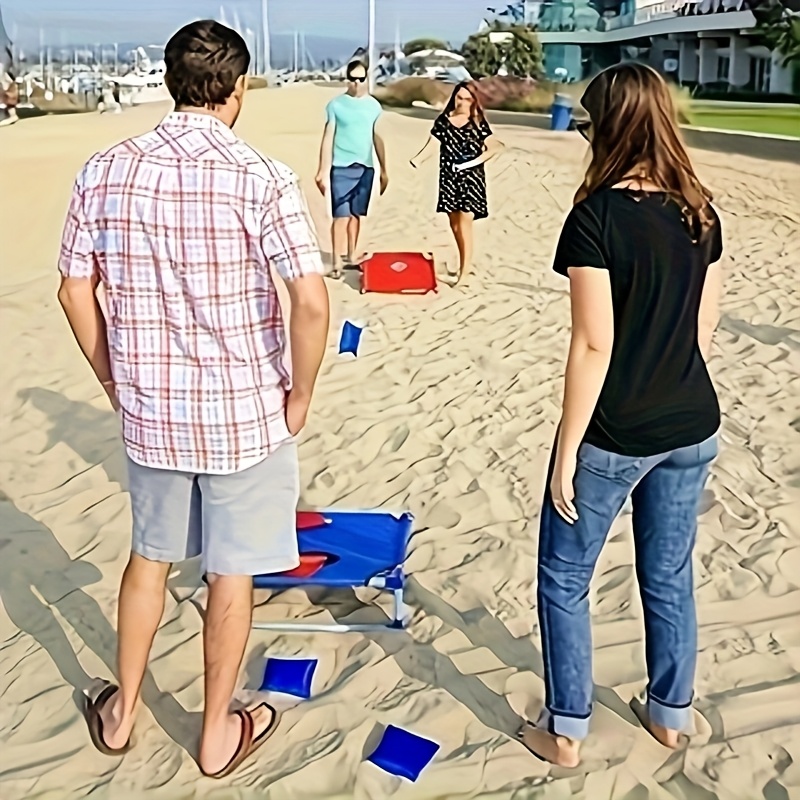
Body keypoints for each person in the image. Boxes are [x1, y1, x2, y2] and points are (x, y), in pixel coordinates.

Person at [57, 20, 329, 778]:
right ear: (237, 89)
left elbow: (75, 289)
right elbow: (310, 301)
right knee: (228, 572)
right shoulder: (261, 175)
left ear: (174, 83)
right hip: (244, 410)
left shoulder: (105, 168)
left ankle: (121, 713)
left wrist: (111, 374)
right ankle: (215, 733)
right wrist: (300, 389)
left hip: (151, 407)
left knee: (150, 560)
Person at [520, 63, 723, 768]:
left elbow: (593, 342)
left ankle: (567, 728)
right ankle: (670, 714)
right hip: (692, 421)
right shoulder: (699, 208)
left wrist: (567, 449)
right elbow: (703, 327)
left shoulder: (597, 216)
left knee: (564, 577)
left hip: (618, 429)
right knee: (668, 574)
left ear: (607, 127)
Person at [410, 82, 502, 284]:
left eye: (467, 99)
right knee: (454, 224)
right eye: (459, 97)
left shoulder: (477, 122)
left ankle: (465, 272)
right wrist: (418, 159)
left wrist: (474, 162)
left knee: (464, 222)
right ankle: (463, 264)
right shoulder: (444, 121)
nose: (462, 102)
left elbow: (495, 146)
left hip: (471, 179)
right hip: (449, 178)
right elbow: (434, 143)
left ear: (474, 101)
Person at [315, 59, 388, 278]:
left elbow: (377, 137)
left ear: (367, 79)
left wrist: (384, 170)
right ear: (347, 80)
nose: (356, 84)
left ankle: (352, 254)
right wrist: (321, 169)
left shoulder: (374, 106)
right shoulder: (336, 105)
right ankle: (336, 262)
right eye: (353, 79)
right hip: (341, 168)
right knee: (341, 216)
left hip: (366, 168)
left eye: (361, 79)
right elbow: (328, 137)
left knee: (356, 215)